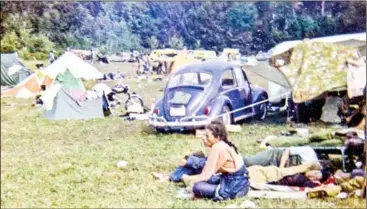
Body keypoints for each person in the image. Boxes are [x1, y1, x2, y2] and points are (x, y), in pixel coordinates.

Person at [181, 121, 249, 201]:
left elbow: (206, 175)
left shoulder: (217, 147)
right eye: (204, 135)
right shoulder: (224, 145)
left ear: (218, 138)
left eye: (207, 136)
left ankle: (221, 193)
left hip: (233, 188)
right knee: (210, 179)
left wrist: (192, 184)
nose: (203, 138)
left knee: (197, 187)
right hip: (242, 185)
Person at [243, 146, 319, 168]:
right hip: (274, 156)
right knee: (249, 162)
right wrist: (281, 168)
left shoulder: (314, 171)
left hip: (275, 169)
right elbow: (287, 151)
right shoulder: (309, 151)